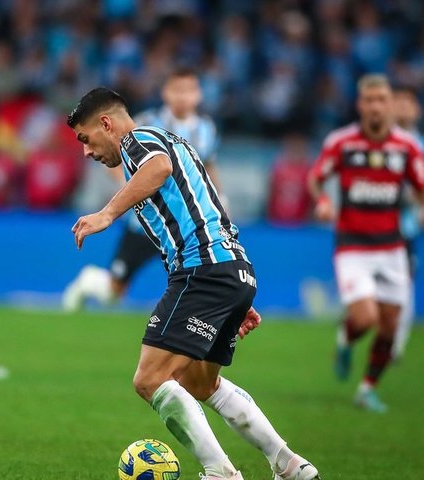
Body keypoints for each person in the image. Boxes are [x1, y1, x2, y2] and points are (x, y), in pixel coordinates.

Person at [68, 87, 319, 480]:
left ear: (106, 123)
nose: (86, 151)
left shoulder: (139, 141)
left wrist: (106, 214)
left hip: (202, 271)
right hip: (231, 271)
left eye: (85, 139)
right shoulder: (170, 139)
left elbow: (160, 169)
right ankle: (289, 465)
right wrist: (234, 297)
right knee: (201, 383)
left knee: (150, 379)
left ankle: (220, 472)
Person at [307, 74, 424, 413]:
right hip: (353, 245)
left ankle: (367, 388)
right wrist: (323, 202)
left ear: (390, 104)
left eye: (382, 100)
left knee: (390, 324)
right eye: (369, 100)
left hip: (392, 246)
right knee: (366, 317)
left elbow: (420, 185)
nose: (376, 106)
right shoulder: (342, 143)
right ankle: (345, 339)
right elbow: (316, 178)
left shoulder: (407, 147)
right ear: (360, 105)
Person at [62, 68, 222, 310]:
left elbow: (206, 165)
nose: (183, 97)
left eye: (189, 90)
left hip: (185, 225)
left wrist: (220, 198)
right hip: (146, 224)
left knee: (194, 283)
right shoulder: (145, 123)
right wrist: (133, 190)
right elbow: (120, 159)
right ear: (165, 93)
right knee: (114, 291)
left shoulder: (207, 129)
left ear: (198, 94)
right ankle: (89, 281)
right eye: (177, 90)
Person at [391, 87, 423, 360]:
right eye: (397, 100)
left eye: (408, 102)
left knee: (403, 284)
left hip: (406, 226)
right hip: (371, 225)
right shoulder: (379, 141)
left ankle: (396, 344)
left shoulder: (418, 145)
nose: (402, 107)